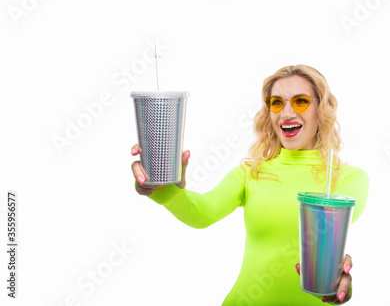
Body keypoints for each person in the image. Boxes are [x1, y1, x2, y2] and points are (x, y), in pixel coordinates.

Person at [131, 64, 369, 305]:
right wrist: (166, 185)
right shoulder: (250, 173)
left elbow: (334, 221)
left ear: (322, 108)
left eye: (300, 102)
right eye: (276, 103)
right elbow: (202, 213)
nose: (286, 114)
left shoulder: (349, 178)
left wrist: (337, 275)